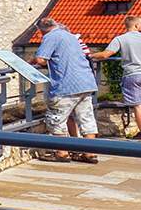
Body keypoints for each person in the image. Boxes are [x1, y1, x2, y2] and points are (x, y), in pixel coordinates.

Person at [33, 15, 101, 162]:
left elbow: (41, 59)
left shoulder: (50, 37)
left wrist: (31, 60)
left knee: (56, 118)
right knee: (86, 118)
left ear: (41, 30)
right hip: (85, 82)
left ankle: (62, 152)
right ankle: (90, 152)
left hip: (65, 85)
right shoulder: (71, 36)